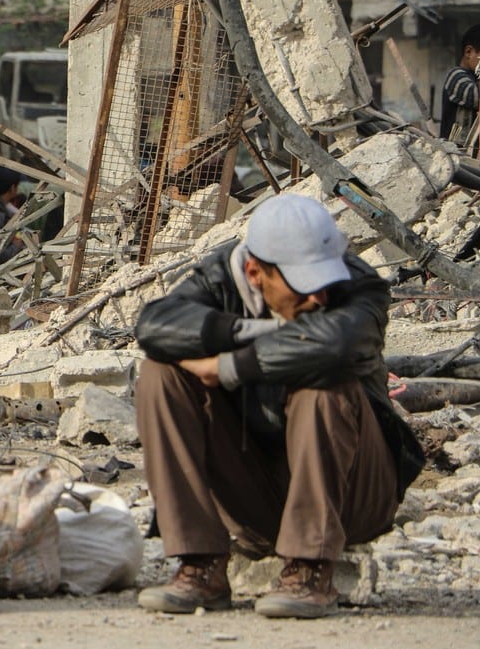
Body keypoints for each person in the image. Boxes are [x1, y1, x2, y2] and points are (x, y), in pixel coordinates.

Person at [132, 194, 424, 619]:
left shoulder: (360, 284)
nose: (320, 298)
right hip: (256, 495)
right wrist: (243, 331)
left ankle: (309, 568)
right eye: (306, 285)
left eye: (325, 281)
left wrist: (231, 365)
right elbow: (153, 327)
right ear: (255, 272)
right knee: (161, 374)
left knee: (325, 383)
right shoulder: (220, 280)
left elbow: (338, 342)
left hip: (355, 496)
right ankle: (201, 564)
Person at [440, 25, 480, 144]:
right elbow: (478, 97)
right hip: (455, 155)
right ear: (468, 52)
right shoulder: (455, 76)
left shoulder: (479, 78)